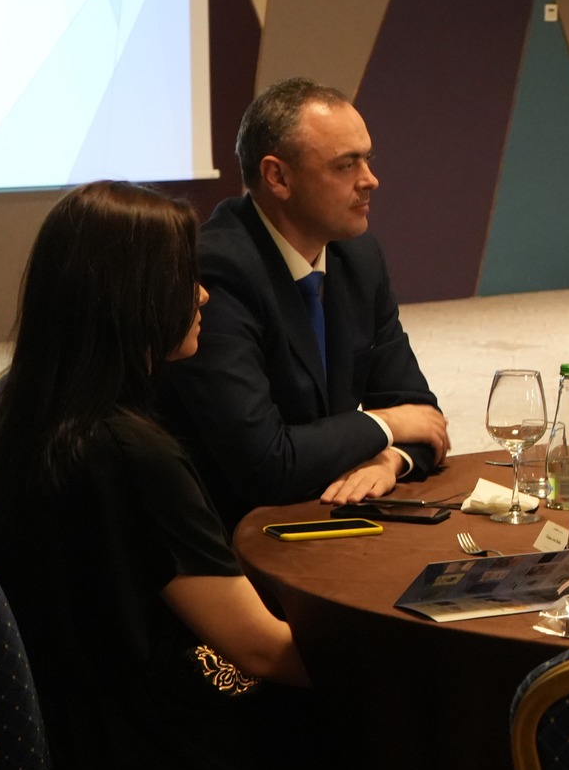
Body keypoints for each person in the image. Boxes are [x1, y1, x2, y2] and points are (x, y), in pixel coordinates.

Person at [0, 182, 339, 770]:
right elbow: (261, 649)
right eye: (182, 278)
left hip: (76, 740)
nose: (202, 295)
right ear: (131, 296)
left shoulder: (32, 414)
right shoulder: (132, 454)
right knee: (388, 735)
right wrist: (404, 671)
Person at [165, 78, 449, 530]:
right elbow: (266, 464)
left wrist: (388, 460)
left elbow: (423, 415)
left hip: (331, 515)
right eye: (346, 165)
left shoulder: (358, 256)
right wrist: (387, 425)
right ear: (278, 177)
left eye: (368, 159)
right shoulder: (218, 270)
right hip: (237, 533)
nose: (370, 180)